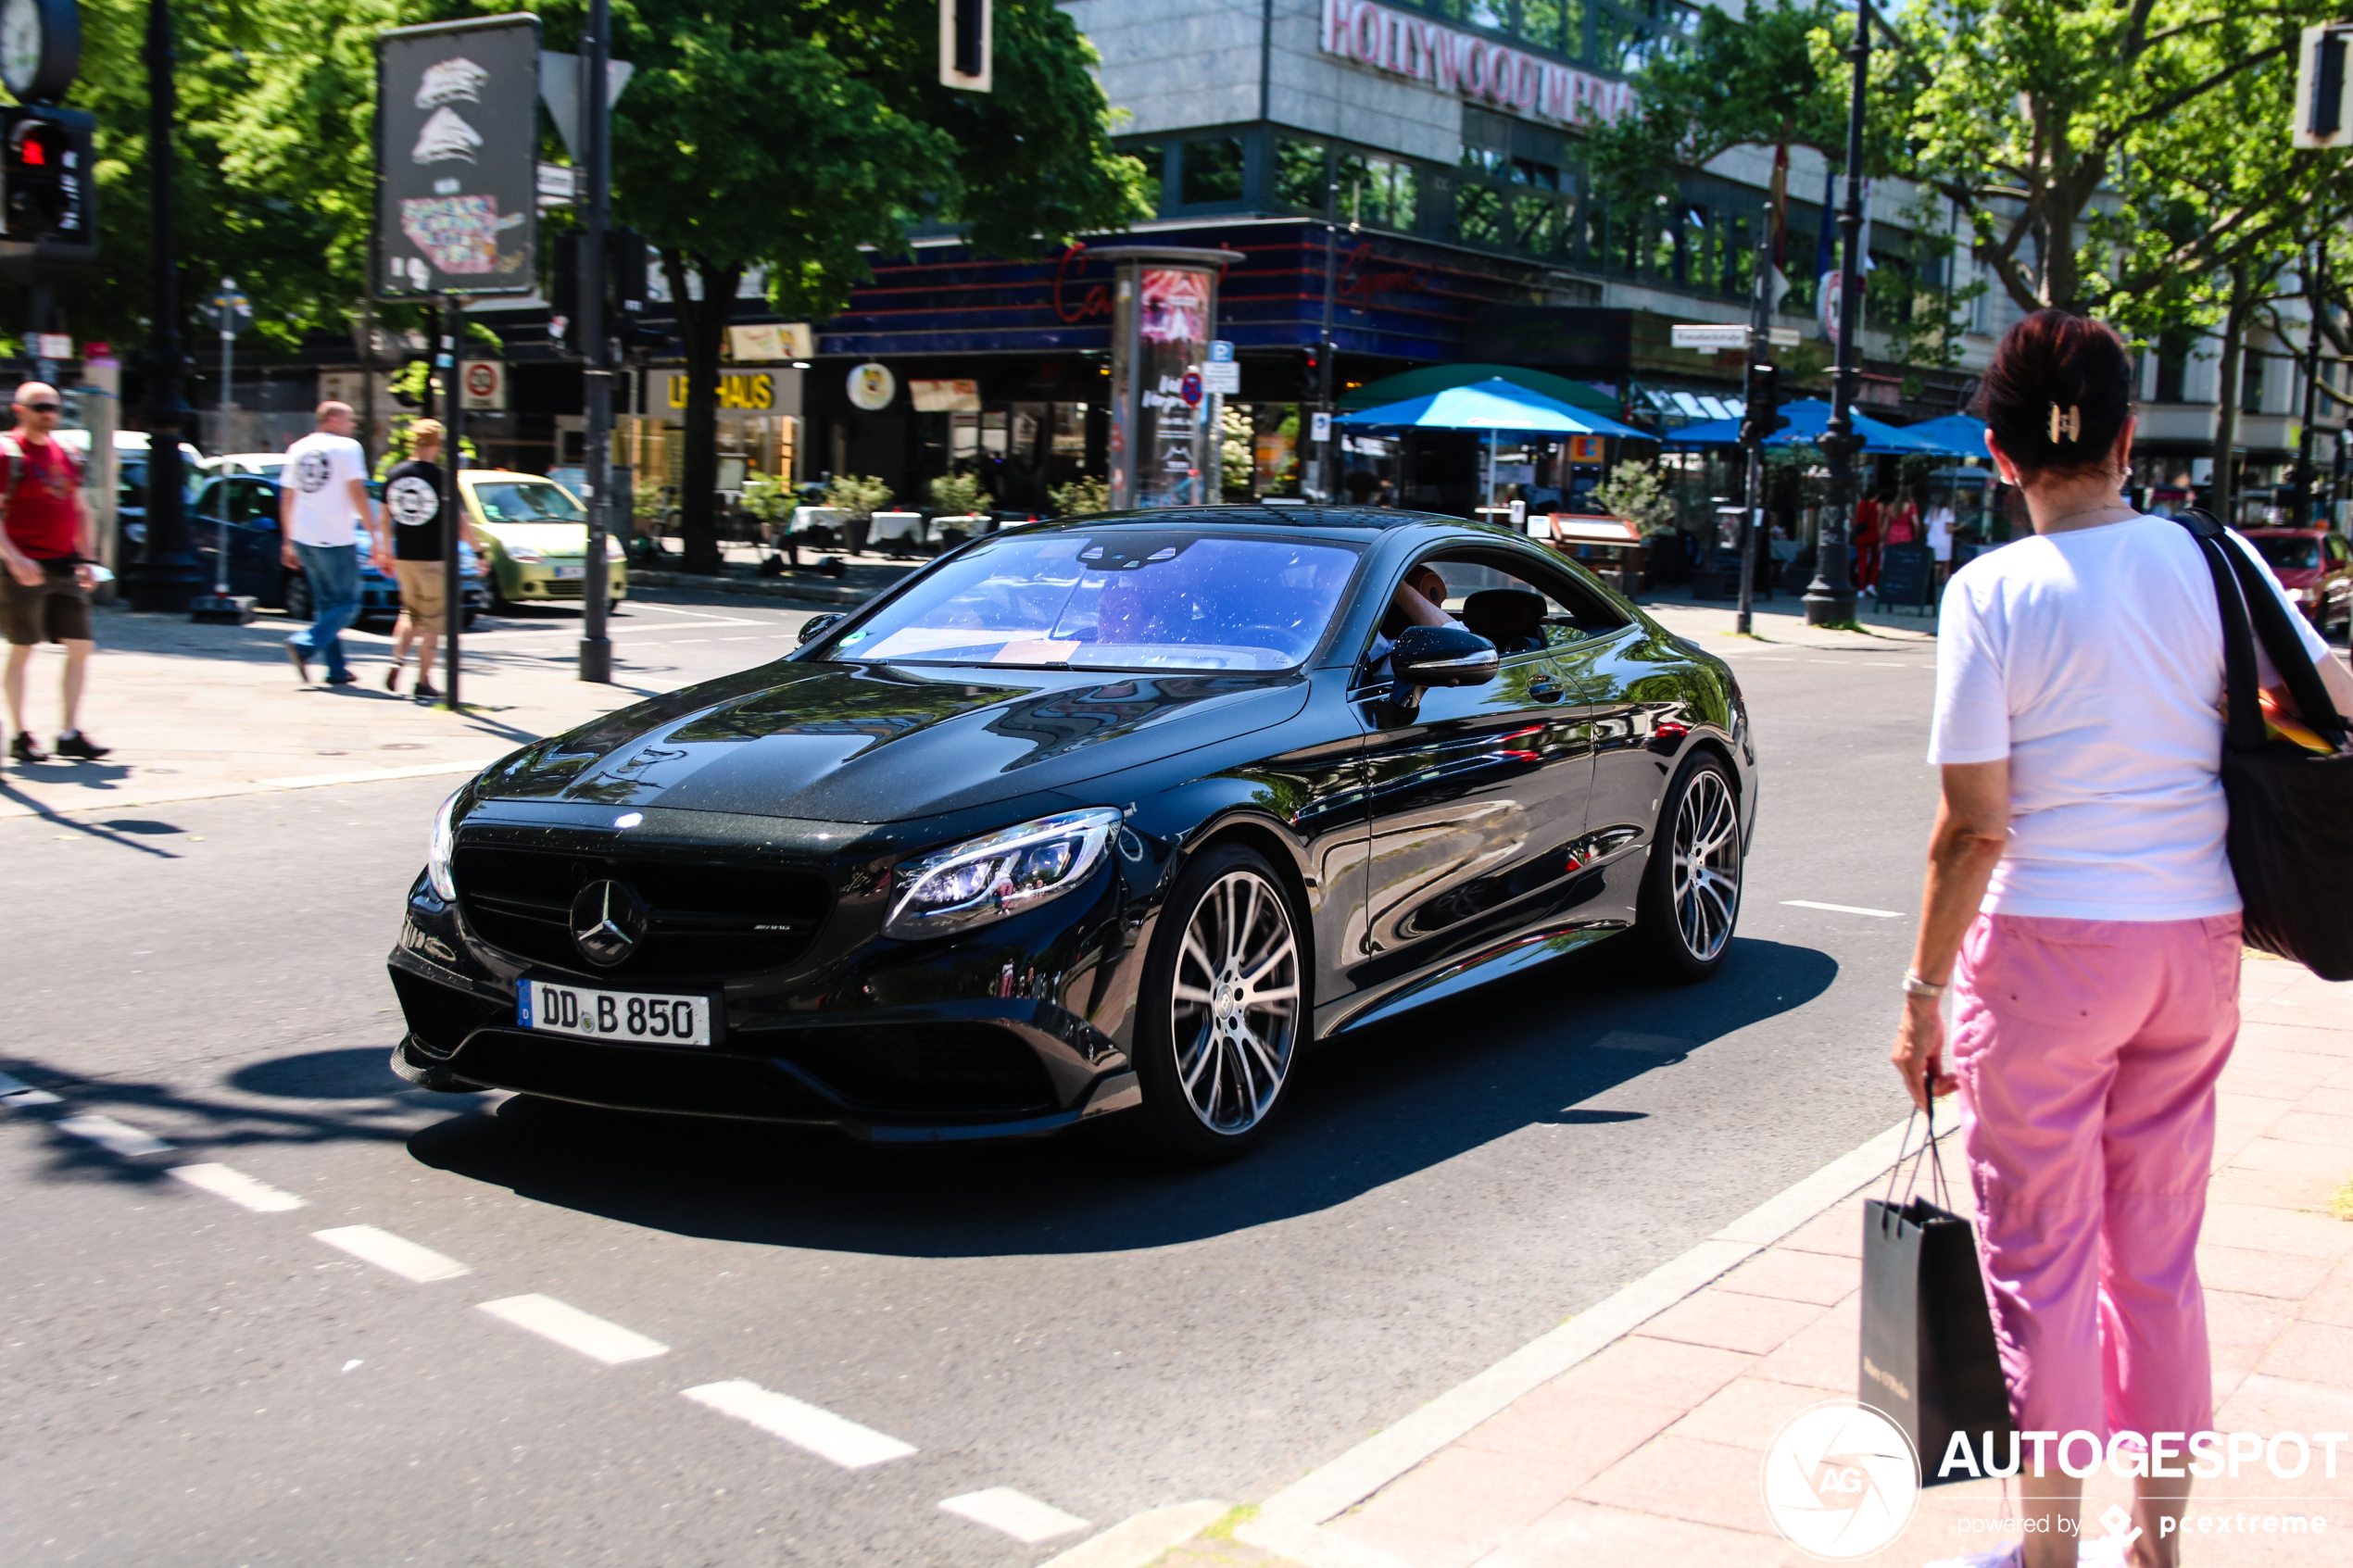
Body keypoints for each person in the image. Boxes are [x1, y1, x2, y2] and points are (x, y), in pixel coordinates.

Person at [1897, 310, 2353, 1568]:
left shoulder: (1989, 592)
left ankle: (2047, 1555)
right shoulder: (2218, 560)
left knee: (2039, 1259)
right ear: (2129, 435)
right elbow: (2329, 692)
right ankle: (2157, 1550)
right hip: (2191, 947)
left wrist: (1923, 992)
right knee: (2157, 1258)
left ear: (1997, 454)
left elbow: (1972, 828)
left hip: (2045, 951)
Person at [0, 381, 107, 762]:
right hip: (22, 566)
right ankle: (20, 735)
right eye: (40, 406)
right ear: (20, 410)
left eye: (54, 407)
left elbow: (80, 509)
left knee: (81, 646)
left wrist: (88, 559)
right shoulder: (7, 453)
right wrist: (13, 558)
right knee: (23, 648)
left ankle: (69, 732)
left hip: (64, 564)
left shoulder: (67, 452)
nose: (49, 414)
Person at [278, 401, 383, 686]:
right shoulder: (348, 448)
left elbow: (287, 496)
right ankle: (304, 643)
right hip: (336, 536)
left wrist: (287, 541)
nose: (353, 426)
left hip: (304, 535)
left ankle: (336, 669)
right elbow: (358, 492)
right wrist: (374, 535)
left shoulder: (297, 448)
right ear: (334, 419)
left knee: (326, 606)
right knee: (350, 604)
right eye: (350, 421)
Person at [380, 420, 484, 703]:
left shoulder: (394, 474)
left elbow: (384, 517)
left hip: (405, 556)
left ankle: (397, 660)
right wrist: (479, 552)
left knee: (410, 613)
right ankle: (423, 681)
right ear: (436, 444)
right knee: (434, 622)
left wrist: (385, 552)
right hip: (434, 558)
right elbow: (460, 521)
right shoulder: (441, 478)